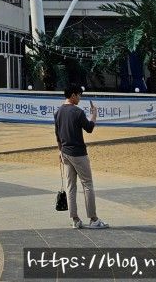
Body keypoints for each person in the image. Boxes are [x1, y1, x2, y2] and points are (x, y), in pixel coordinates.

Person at [54, 84, 109, 229]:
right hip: (78, 153)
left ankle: (75, 219)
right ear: (73, 95)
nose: (80, 98)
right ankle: (93, 219)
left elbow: (57, 134)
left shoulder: (58, 112)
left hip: (65, 152)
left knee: (70, 186)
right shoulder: (77, 112)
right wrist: (94, 114)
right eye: (79, 95)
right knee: (87, 184)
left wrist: (60, 151)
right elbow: (89, 128)